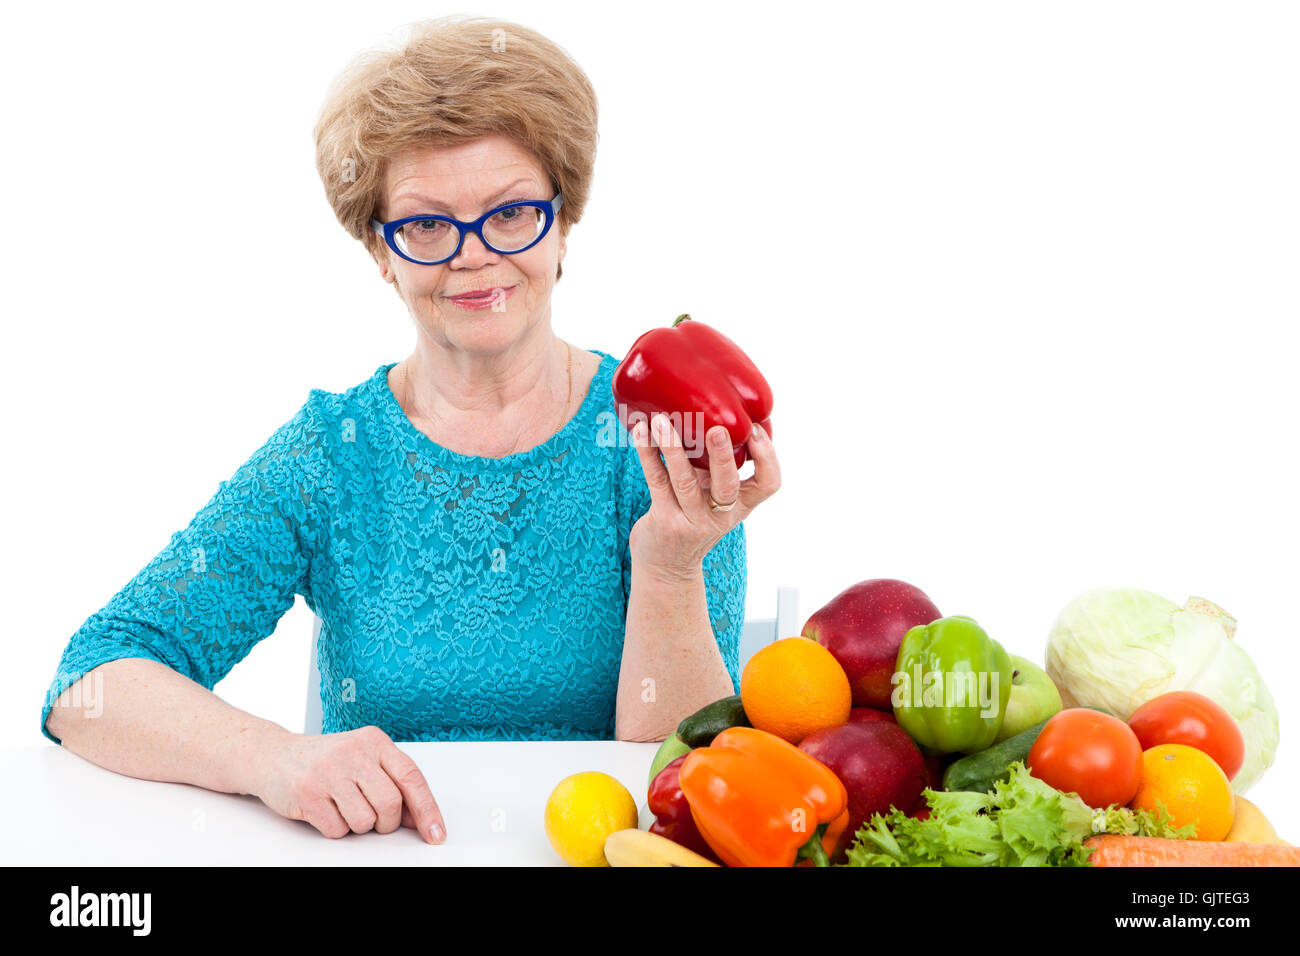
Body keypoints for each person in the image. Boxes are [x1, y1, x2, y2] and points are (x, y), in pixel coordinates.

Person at [40, 15, 779, 846]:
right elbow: (90, 680)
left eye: (510, 214)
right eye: (427, 225)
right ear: (379, 251)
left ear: (564, 222)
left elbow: (685, 787)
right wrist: (275, 759)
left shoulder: (653, 434)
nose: (472, 255)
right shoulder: (332, 453)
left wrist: (671, 567)